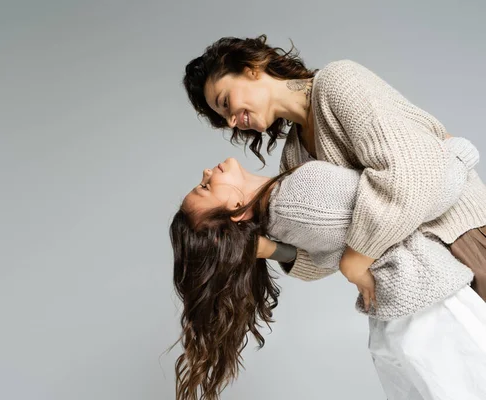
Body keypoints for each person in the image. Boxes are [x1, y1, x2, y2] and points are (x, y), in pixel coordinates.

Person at [169, 137, 486, 400]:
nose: (207, 171)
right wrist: (459, 152)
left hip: (393, 321)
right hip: (428, 305)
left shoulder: (279, 216)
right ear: (235, 210)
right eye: (206, 187)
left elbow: (327, 256)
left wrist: (268, 249)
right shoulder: (299, 192)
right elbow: (411, 196)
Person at [182, 34, 486, 300]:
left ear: (251, 69)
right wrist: (266, 249)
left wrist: (354, 262)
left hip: (464, 236)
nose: (231, 121)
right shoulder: (294, 158)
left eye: (225, 102)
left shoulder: (338, 83)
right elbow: (328, 251)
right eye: (223, 118)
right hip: (429, 271)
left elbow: (409, 175)